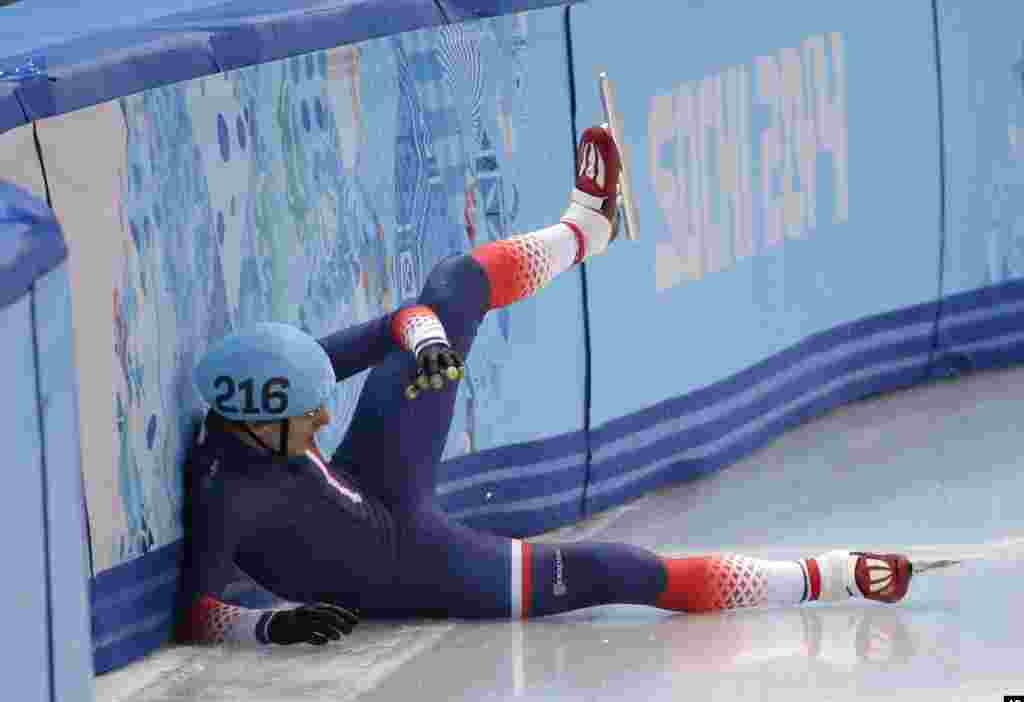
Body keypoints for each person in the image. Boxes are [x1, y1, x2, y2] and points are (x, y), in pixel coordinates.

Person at [178, 127, 914, 647]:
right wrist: (268, 626)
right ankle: (826, 576)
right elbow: (199, 614)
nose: (321, 413)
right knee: (618, 570)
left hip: (375, 480)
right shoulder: (228, 496)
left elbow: (398, 323)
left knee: (453, 286)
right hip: (417, 566)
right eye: (307, 413)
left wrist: (427, 342)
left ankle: (584, 229)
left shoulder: (268, 394)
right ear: (258, 420)